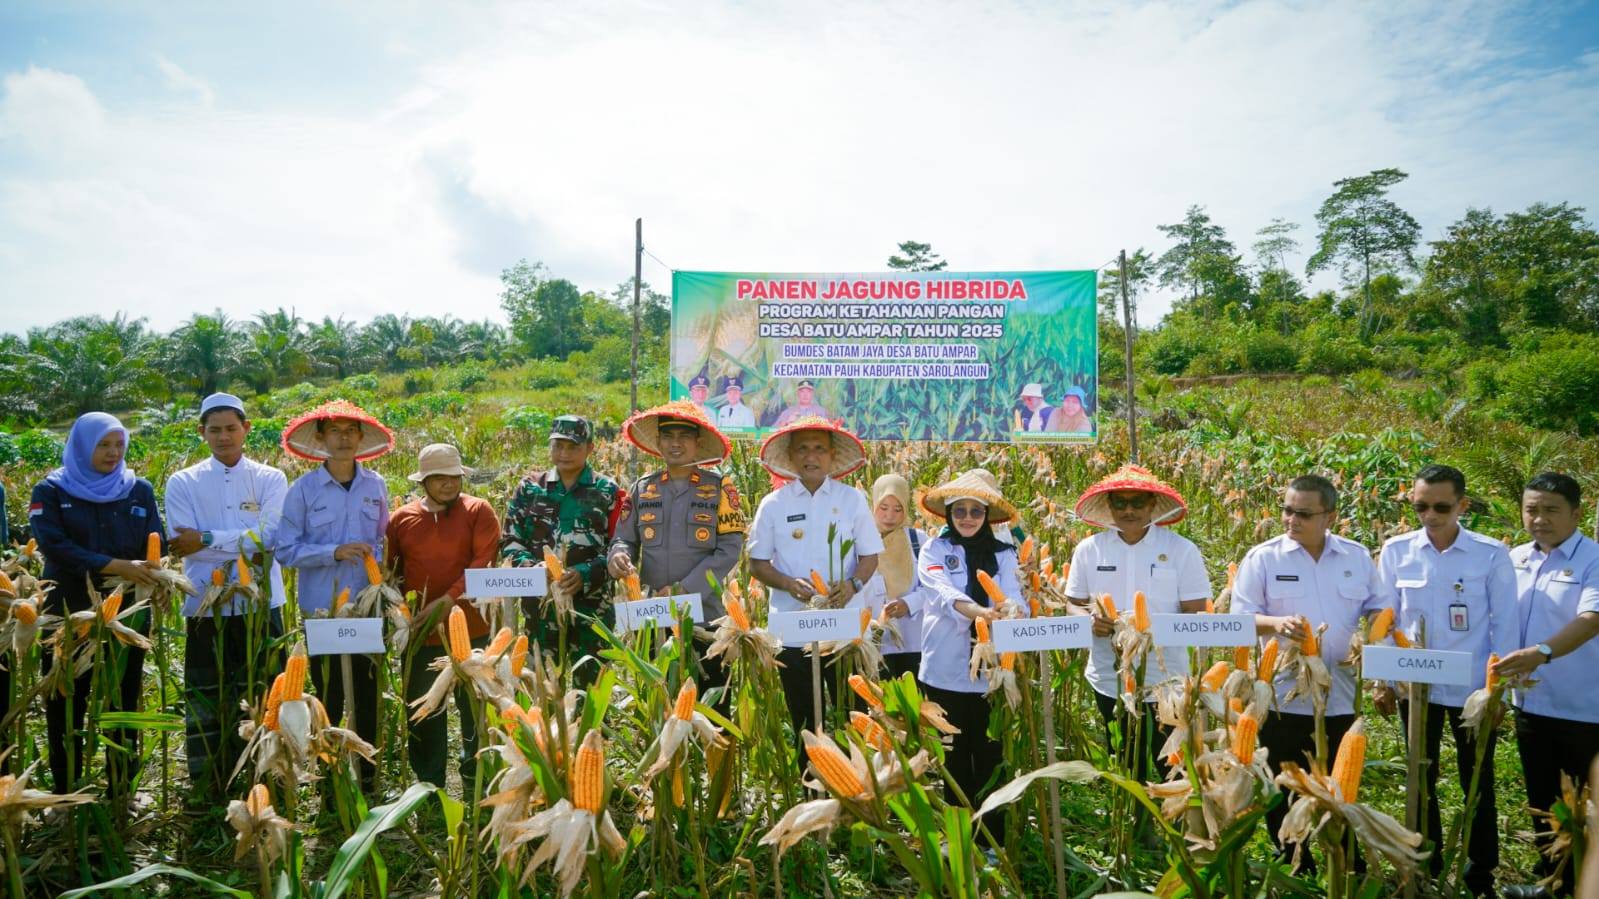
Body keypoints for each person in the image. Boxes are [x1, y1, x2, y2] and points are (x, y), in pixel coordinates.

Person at [1231, 474, 1391, 857]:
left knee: (1341, 783)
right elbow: (1240, 617)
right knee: (1284, 785)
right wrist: (1275, 624)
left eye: (1303, 513)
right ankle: (1293, 861)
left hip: (1340, 695)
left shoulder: (1355, 557)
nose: (1291, 519)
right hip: (1283, 696)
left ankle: (1345, 863)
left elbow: (1380, 610)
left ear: (1329, 517)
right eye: (1287, 510)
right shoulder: (1264, 557)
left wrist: (1380, 662)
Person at [1373, 464, 1514, 897]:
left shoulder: (1490, 554)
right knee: (1420, 777)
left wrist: (1498, 690)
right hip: (1416, 688)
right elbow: (1384, 619)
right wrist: (1382, 678)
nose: (1429, 514)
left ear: (1462, 505)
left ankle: (1480, 870)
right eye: (1420, 506)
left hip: (1473, 687)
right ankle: (1425, 863)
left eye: (1441, 506)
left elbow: (1505, 624)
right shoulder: (1397, 551)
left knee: (1478, 778)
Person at [163, 392, 289, 800]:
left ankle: (268, 774)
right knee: (209, 695)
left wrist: (207, 538)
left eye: (231, 428)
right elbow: (184, 545)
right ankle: (210, 781)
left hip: (261, 603)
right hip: (204, 601)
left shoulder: (271, 478)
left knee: (265, 693)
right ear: (202, 433)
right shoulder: (183, 481)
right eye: (214, 430)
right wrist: (238, 545)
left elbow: (270, 538)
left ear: (246, 430)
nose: (223, 437)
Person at [29, 412, 161, 800]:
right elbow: (54, 546)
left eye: (119, 444)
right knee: (66, 699)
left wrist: (146, 568)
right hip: (67, 611)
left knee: (124, 696)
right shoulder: (51, 490)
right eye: (103, 444)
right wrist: (114, 565)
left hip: (128, 611)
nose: (112, 452)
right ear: (83, 445)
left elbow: (157, 542)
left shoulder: (139, 490)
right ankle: (66, 791)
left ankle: (122, 790)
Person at [276, 400, 394, 792]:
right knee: (328, 694)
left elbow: (382, 540)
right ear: (322, 438)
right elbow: (285, 550)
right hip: (322, 611)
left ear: (361, 438)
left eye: (350, 432)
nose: (343, 439)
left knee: (368, 692)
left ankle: (369, 776)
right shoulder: (303, 490)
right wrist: (333, 552)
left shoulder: (376, 486)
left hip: (366, 609)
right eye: (335, 432)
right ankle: (329, 781)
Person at [1065, 465, 1210, 780]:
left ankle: (1177, 824)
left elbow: (1197, 611)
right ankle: (1133, 825)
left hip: (1167, 679)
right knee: (1126, 765)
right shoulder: (1088, 551)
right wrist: (1089, 620)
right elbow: (1072, 604)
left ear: (1153, 505)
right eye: (1120, 503)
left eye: (1138, 502)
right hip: (1109, 677)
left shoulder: (1181, 551)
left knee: (1174, 766)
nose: (1129, 510)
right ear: (1109, 506)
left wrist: (1153, 632)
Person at [1494, 472, 1599, 899]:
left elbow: (1591, 620)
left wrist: (1542, 652)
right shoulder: (1514, 559)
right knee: (1543, 801)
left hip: (1585, 709)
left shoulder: (1593, 559)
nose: (1539, 519)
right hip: (1532, 705)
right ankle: (1552, 882)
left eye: (1551, 510)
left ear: (1577, 512)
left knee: (1587, 808)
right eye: (1531, 509)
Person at [748, 417, 881, 736]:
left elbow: (870, 557)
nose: (811, 456)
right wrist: (788, 584)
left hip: (845, 626)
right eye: (803, 449)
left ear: (832, 455)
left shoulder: (852, 500)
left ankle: (856, 783)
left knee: (855, 715)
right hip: (794, 627)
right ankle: (812, 786)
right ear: (791, 457)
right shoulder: (773, 504)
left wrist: (852, 585)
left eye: (820, 449)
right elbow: (757, 564)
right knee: (806, 720)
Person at [608, 401, 744, 695]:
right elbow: (625, 538)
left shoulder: (721, 488)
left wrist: (686, 589)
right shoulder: (643, 488)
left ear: (698, 442)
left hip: (705, 616)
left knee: (712, 704)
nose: (676, 443)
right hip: (653, 615)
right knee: (659, 702)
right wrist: (618, 555)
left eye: (684, 436)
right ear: (658, 443)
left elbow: (730, 549)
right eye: (668, 436)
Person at [387, 443, 500, 788]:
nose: (450, 484)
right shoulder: (401, 519)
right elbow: (392, 572)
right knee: (423, 710)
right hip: (422, 632)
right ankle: (429, 781)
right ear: (424, 481)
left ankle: (474, 775)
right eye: (439, 479)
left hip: (473, 630)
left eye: (454, 477)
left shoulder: (479, 511)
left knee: (475, 706)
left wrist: (448, 600)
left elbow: (483, 561)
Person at [916, 469, 1027, 807]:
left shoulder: (1005, 555)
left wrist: (1013, 612)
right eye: (959, 510)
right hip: (944, 668)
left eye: (975, 511)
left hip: (993, 674)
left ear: (987, 515)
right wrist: (980, 612)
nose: (967, 518)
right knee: (954, 756)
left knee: (991, 752)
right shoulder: (934, 549)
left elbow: (1012, 595)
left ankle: (992, 832)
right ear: (949, 513)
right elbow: (941, 591)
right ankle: (960, 830)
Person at [501, 415, 625, 673]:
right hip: (540, 607)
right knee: (540, 690)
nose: (564, 453)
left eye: (573, 447)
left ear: (590, 448)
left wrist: (586, 573)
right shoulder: (530, 488)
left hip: (592, 608)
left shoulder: (607, 491)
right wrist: (533, 569)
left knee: (591, 690)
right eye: (558, 445)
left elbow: (619, 545)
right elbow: (511, 540)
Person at [863, 473, 935, 680]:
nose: (889, 516)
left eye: (898, 509)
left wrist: (909, 603)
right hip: (874, 644)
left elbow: (934, 586)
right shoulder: (860, 542)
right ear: (874, 505)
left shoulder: (918, 540)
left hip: (914, 641)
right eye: (883, 508)